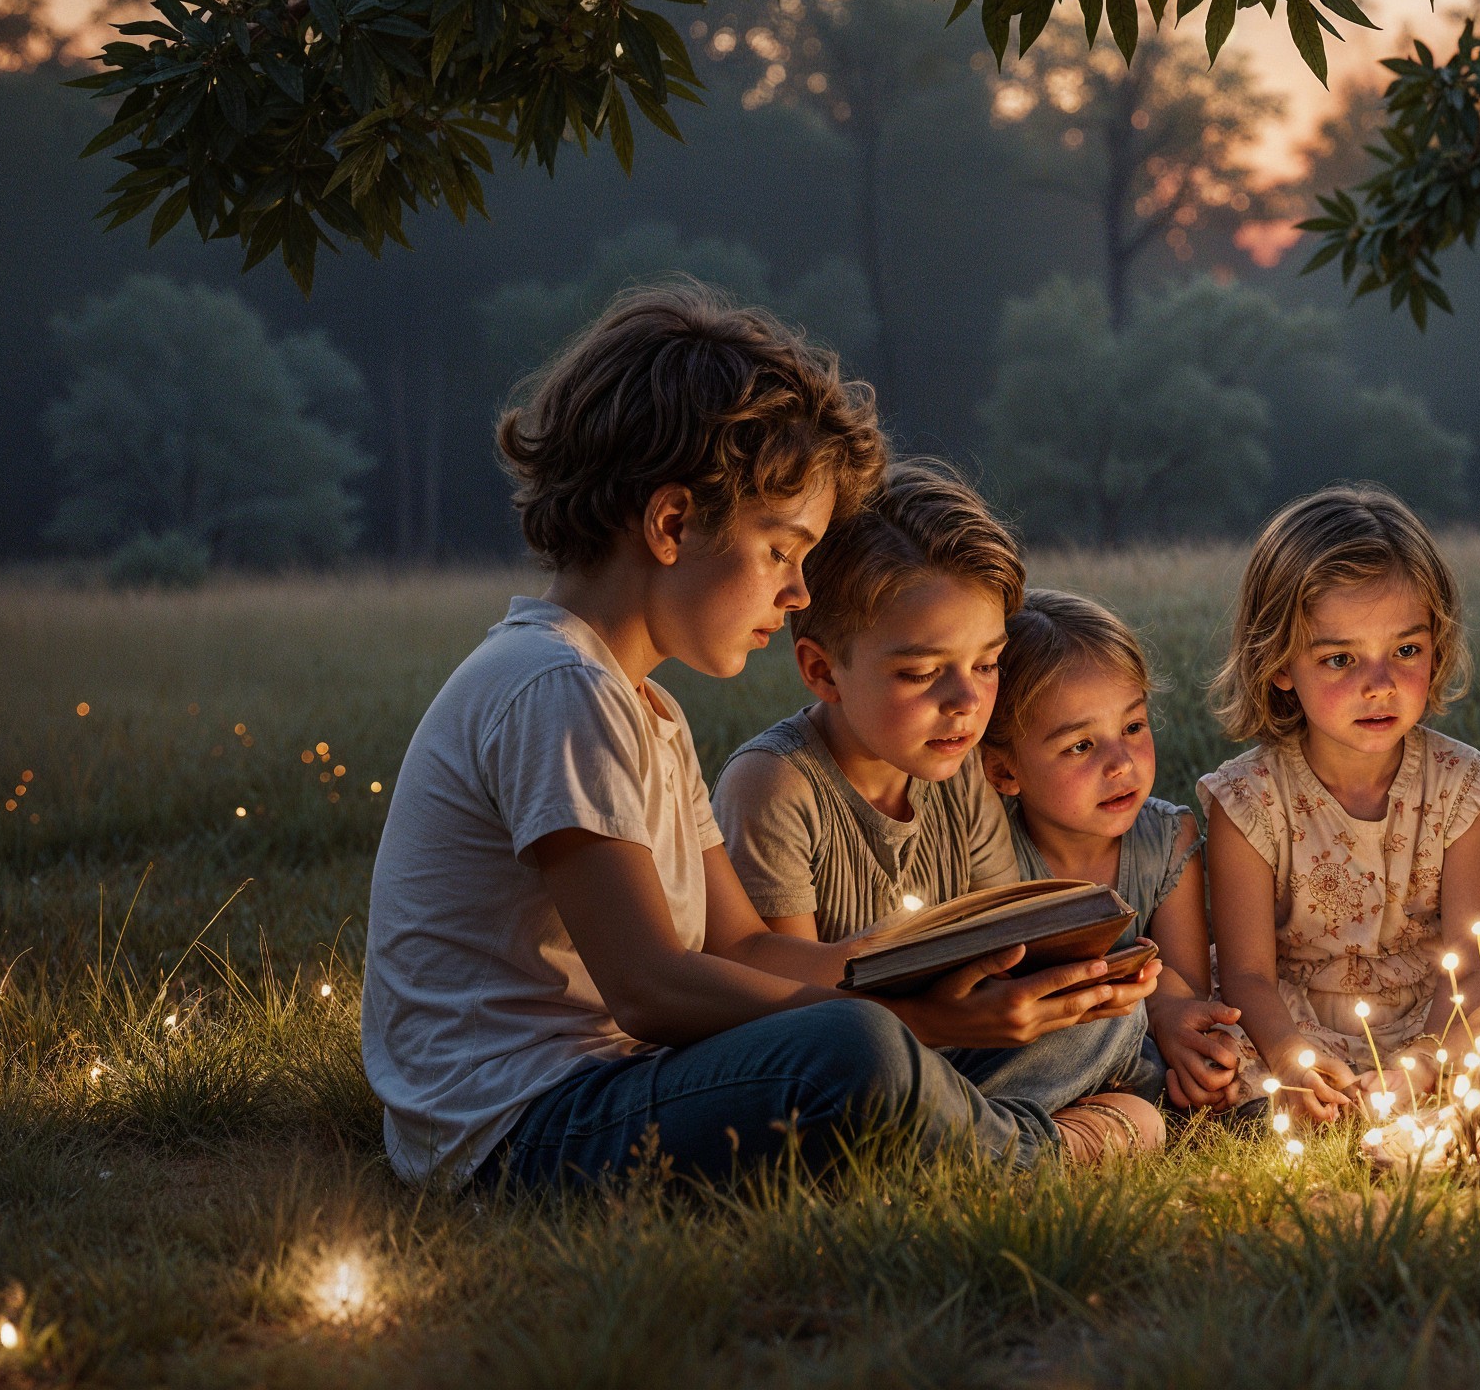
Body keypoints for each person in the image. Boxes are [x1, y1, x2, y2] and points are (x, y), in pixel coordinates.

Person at [359, 286, 1156, 1193]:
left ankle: (939, 1131)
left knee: (1085, 1017)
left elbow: (744, 952)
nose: (798, 592)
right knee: (855, 1051)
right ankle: (1032, 1151)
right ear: (672, 524)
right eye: (782, 551)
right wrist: (927, 1026)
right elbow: (651, 989)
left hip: (626, 1086)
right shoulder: (556, 688)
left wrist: (969, 979)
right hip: (525, 1126)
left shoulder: (645, 711)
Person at [713, 459, 1167, 1165]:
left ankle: (972, 1142)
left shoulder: (960, 774)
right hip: (857, 1051)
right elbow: (789, 1012)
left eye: (986, 664)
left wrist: (1075, 983)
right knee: (873, 1062)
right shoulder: (777, 785)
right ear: (823, 670)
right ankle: (1026, 1148)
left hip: (957, 1046)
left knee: (1114, 1021)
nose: (966, 701)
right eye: (923, 673)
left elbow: (1002, 936)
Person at [1196, 485, 1480, 1126]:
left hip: (1431, 1017)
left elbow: (1475, 963)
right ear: (1279, 664)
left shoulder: (1461, 787)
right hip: (1293, 1018)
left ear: (1437, 646)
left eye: (1406, 650)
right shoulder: (1249, 801)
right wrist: (1291, 1058)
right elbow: (1247, 975)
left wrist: (1424, 1063)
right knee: (1223, 1059)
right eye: (1340, 658)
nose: (1379, 684)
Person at [981, 588, 1241, 1112]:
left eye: (1132, 727)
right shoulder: (989, 850)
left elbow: (1184, 982)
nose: (1121, 762)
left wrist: (1174, 1021)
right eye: (1081, 745)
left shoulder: (1166, 839)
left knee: (1180, 1060)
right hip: (1025, 1043)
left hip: (1134, 1035)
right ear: (1004, 771)